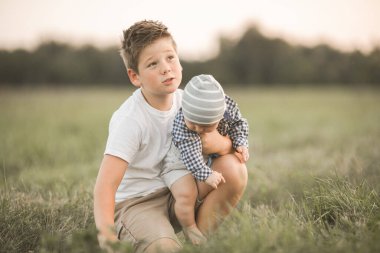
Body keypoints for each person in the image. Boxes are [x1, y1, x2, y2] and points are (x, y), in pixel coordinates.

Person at [93, 20, 248, 253]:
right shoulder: (130, 120)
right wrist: (107, 239)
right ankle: (159, 238)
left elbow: (224, 141)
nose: (166, 68)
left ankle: (198, 240)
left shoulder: (189, 102)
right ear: (135, 77)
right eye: (153, 64)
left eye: (170, 58)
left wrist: (224, 144)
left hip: (181, 188)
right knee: (164, 248)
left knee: (234, 169)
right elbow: (105, 186)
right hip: (139, 202)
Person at [161, 74, 249, 245]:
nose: (198, 129)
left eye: (206, 126)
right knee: (187, 195)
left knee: (233, 168)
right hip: (179, 166)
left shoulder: (226, 110)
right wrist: (205, 174)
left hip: (204, 161)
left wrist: (241, 143)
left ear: (220, 116)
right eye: (192, 123)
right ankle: (189, 226)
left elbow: (239, 124)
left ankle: (201, 234)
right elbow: (190, 155)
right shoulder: (182, 126)